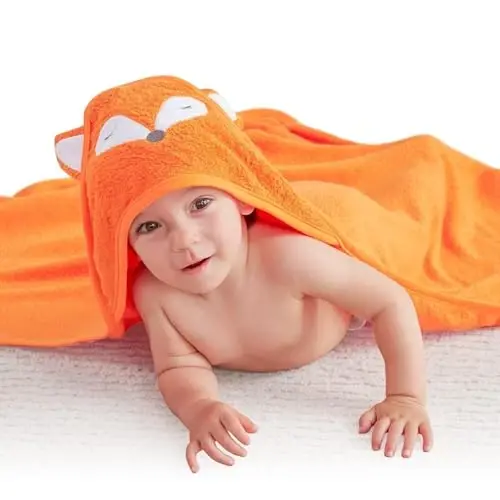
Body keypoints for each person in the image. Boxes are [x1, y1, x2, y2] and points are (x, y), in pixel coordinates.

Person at [129, 184, 433, 473]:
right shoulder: (155, 295)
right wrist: (198, 406)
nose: (183, 240)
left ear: (241, 198)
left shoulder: (289, 257)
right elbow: (179, 365)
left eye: (201, 203)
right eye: (149, 226)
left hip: (334, 252)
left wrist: (404, 397)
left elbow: (389, 303)